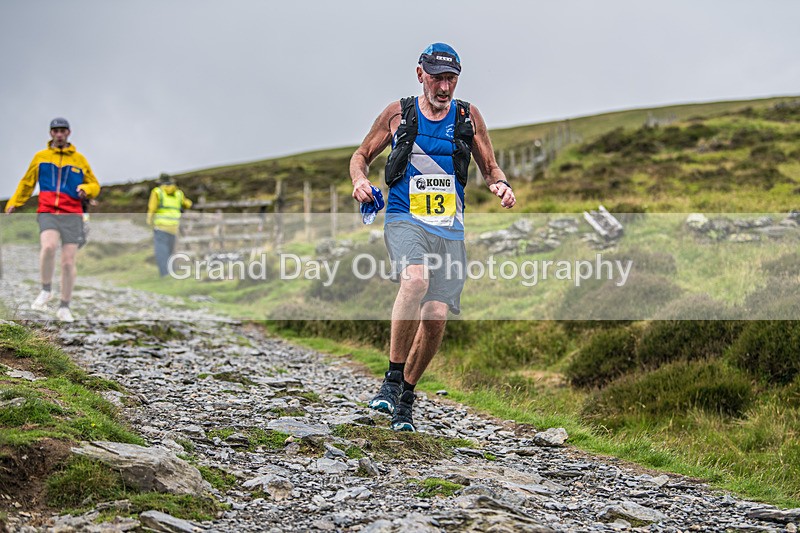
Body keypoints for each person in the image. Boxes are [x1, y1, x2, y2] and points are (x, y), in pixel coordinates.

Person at [350, 43, 516, 431]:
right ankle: (391, 381)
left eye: (452, 79)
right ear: (420, 74)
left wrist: (501, 185)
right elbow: (361, 154)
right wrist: (360, 180)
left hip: (449, 228)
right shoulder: (398, 113)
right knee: (416, 279)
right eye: (438, 78)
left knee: (437, 316)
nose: (445, 87)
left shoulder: (467, 116)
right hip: (404, 218)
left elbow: (490, 167)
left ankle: (406, 398)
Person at [4, 117, 100, 322]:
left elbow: (94, 185)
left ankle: (65, 306)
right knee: (48, 247)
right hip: (47, 210)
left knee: (67, 262)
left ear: (68, 133)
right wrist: (15, 201)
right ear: (50, 134)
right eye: (55, 131)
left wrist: (86, 189)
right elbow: (27, 183)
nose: (59, 134)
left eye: (62, 131)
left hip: (72, 213)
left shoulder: (79, 160)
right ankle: (46, 290)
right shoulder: (41, 157)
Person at [146, 173, 192, 277]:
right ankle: (173, 272)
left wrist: (149, 221)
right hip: (174, 226)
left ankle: (165, 274)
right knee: (172, 251)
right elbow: (188, 203)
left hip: (161, 226)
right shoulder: (179, 193)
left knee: (162, 251)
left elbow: (152, 208)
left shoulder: (157, 192)